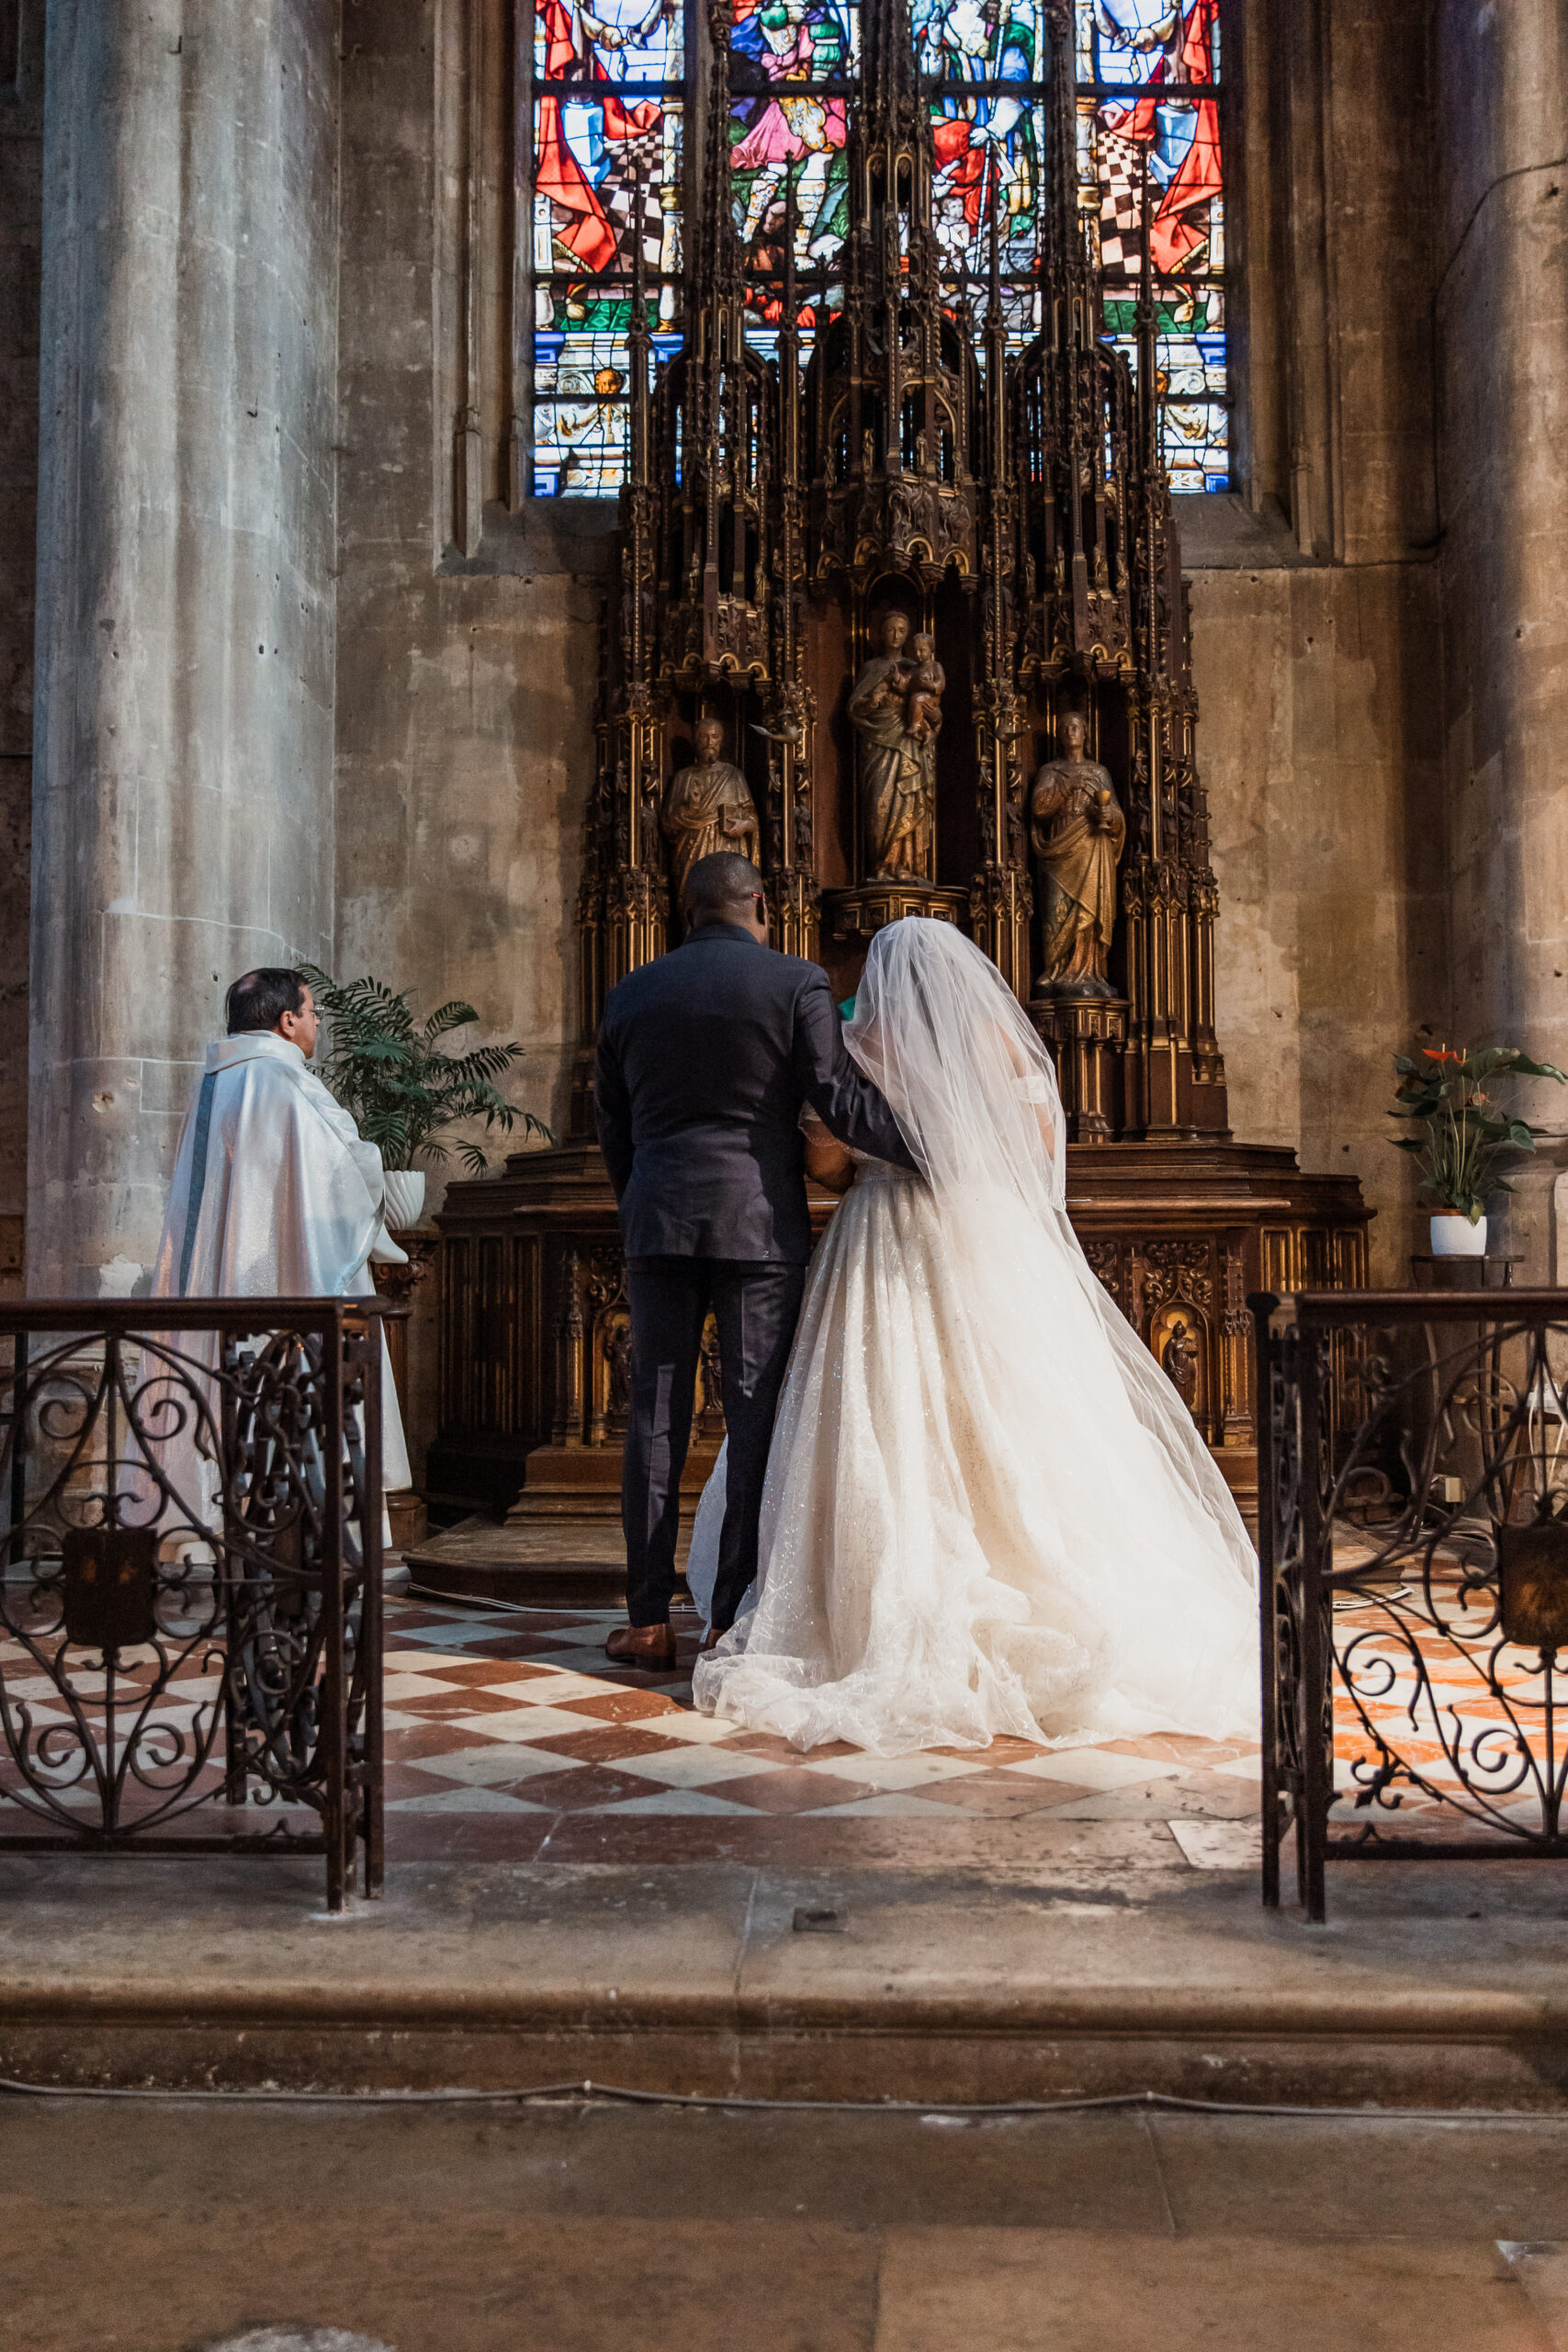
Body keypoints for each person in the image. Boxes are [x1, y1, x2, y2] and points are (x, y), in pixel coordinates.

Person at [691, 917, 1258, 1755]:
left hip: (882, 1231)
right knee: (1018, 1406)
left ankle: (861, 1599)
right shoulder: (998, 1041)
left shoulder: (860, 1044)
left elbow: (827, 1167)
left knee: (886, 1409)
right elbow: (1030, 1148)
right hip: (988, 1233)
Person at [593, 852, 916, 1671]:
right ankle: (729, 1617)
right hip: (758, 1227)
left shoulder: (630, 991)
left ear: (684, 907)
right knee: (754, 1420)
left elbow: (614, 1127)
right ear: (760, 904)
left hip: (658, 1221)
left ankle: (646, 1620)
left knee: (654, 1420)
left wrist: (643, 1201)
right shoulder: (794, 983)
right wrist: (929, 1145)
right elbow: (838, 1100)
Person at [147, 968, 412, 1526]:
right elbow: (349, 1170)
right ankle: (305, 1526)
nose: (316, 1022)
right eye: (313, 1012)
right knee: (293, 1389)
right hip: (294, 1281)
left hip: (216, 1286)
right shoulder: (286, 1082)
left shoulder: (212, 1086)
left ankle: (205, 1520)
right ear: (287, 1021)